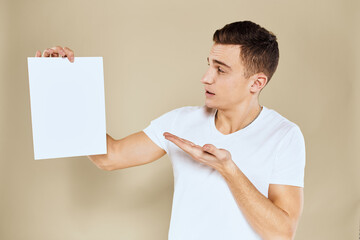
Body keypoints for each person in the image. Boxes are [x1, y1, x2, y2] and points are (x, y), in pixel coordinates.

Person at [35, 20, 306, 240]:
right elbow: (110, 157)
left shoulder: (284, 136)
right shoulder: (180, 122)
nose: (206, 77)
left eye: (221, 70)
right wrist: (64, 84)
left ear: (257, 82)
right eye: (209, 64)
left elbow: (281, 233)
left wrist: (229, 170)